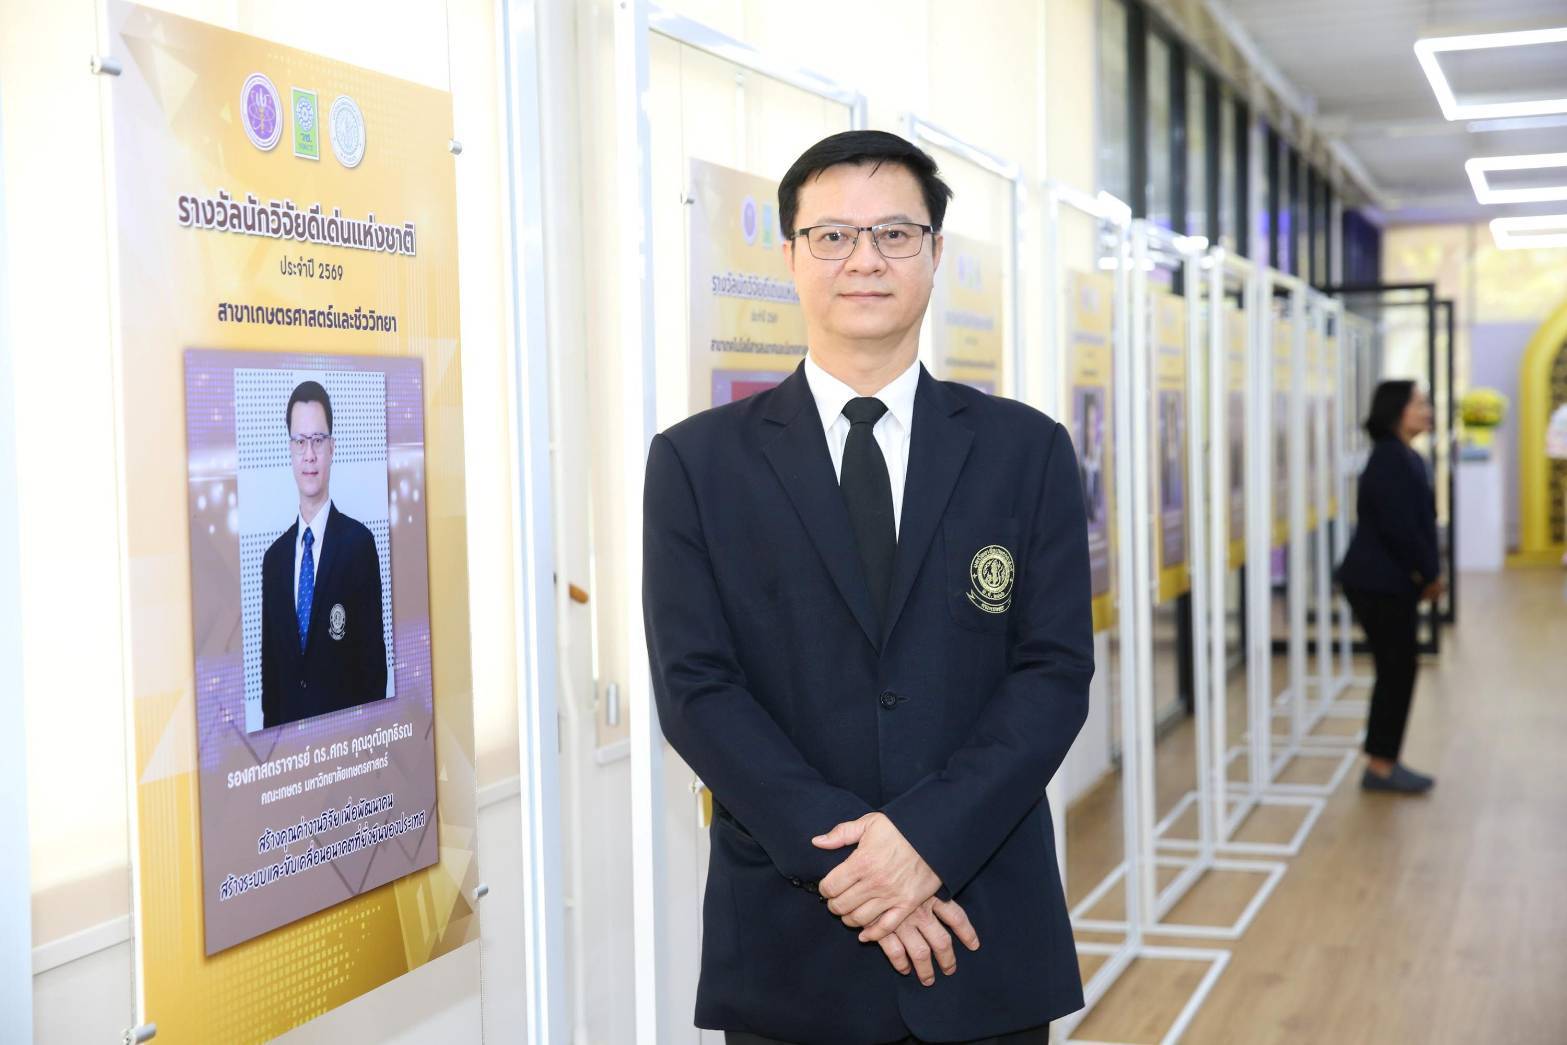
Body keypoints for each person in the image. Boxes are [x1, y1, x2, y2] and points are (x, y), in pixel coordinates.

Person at [643, 130, 1093, 1045]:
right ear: (789, 257)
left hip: (979, 928)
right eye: (832, 236)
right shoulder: (697, 462)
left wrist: (925, 842)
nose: (864, 260)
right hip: (791, 936)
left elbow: (1052, 674)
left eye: (894, 233)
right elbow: (696, 689)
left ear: (934, 252)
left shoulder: (1026, 450)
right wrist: (859, 863)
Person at [260, 380, 388, 730]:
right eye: (300, 442)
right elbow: (271, 689)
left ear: (332, 447)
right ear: (290, 449)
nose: (309, 455)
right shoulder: (273, 562)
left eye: (318, 440)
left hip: (346, 749)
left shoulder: (359, 546)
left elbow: (373, 674)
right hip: (292, 756)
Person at [1336, 380, 1441, 793]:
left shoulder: (1403, 456)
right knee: (1396, 669)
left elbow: (1417, 525)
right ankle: (1380, 766)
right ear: (1397, 410)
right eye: (1419, 403)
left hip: (1387, 581)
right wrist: (1429, 574)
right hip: (1377, 583)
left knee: (1397, 669)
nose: (1427, 410)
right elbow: (1402, 530)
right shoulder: (1390, 460)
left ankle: (1383, 761)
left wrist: (1428, 572)